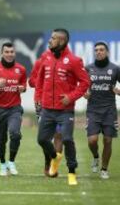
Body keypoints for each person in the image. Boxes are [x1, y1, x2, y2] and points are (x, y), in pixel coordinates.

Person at [36, 28, 90, 185]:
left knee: (67, 138)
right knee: (41, 140)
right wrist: (38, 97)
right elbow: (39, 80)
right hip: (47, 109)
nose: (50, 41)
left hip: (65, 111)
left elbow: (85, 82)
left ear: (62, 41)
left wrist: (71, 97)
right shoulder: (45, 57)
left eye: (53, 38)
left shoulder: (74, 60)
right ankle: (55, 156)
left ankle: (71, 171)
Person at [0, 42, 27, 176]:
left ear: (15, 53)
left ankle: (12, 162)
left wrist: (23, 88)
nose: (9, 54)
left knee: (15, 134)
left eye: (12, 52)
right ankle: (3, 164)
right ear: (2, 53)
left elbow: (23, 85)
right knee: (1, 139)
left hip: (14, 108)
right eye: (7, 52)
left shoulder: (21, 69)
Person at [84, 41, 120, 179]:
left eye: (101, 50)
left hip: (109, 110)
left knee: (108, 140)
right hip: (93, 109)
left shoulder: (115, 69)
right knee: (92, 140)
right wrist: (84, 94)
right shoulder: (88, 68)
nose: (98, 52)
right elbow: (81, 86)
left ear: (107, 52)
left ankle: (104, 169)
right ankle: (95, 156)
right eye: (96, 50)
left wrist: (119, 92)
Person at [29, 55, 63, 177]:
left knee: (59, 134)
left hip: (60, 104)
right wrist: (44, 82)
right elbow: (31, 81)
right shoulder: (40, 62)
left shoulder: (66, 62)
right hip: (42, 104)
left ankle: (54, 167)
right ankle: (47, 163)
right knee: (46, 137)